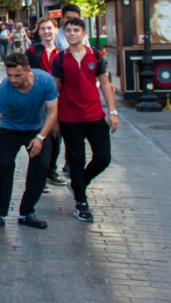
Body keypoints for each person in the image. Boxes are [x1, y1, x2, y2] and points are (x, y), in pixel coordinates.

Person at [0, 52, 59, 230]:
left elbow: (52, 112)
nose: (13, 79)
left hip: (37, 130)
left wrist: (41, 137)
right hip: (10, 130)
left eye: (17, 75)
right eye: (9, 75)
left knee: (40, 168)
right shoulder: (5, 89)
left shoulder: (45, 81)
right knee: (5, 166)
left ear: (28, 70)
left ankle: (27, 213)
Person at [53, 16, 119, 223]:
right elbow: (54, 91)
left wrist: (113, 111)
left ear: (84, 34)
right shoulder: (60, 59)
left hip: (94, 115)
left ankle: (79, 183)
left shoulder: (97, 56)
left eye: (76, 30)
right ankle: (81, 203)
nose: (72, 34)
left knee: (103, 157)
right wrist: (54, 119)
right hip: (70, 117)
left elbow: (105, 84)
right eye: (69, 30)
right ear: (64, 34)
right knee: (76, 160)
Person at [27, 17, 67, 186]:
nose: (46, 32)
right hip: (39, 101)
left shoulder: (63, 53)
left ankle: (51, 170)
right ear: (39, 31)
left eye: (49, 28)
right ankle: (39, 175)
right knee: (40, 136)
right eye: (43, 29)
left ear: (56, 30)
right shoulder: (32, 52)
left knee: (56, 137)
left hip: (58, 100)